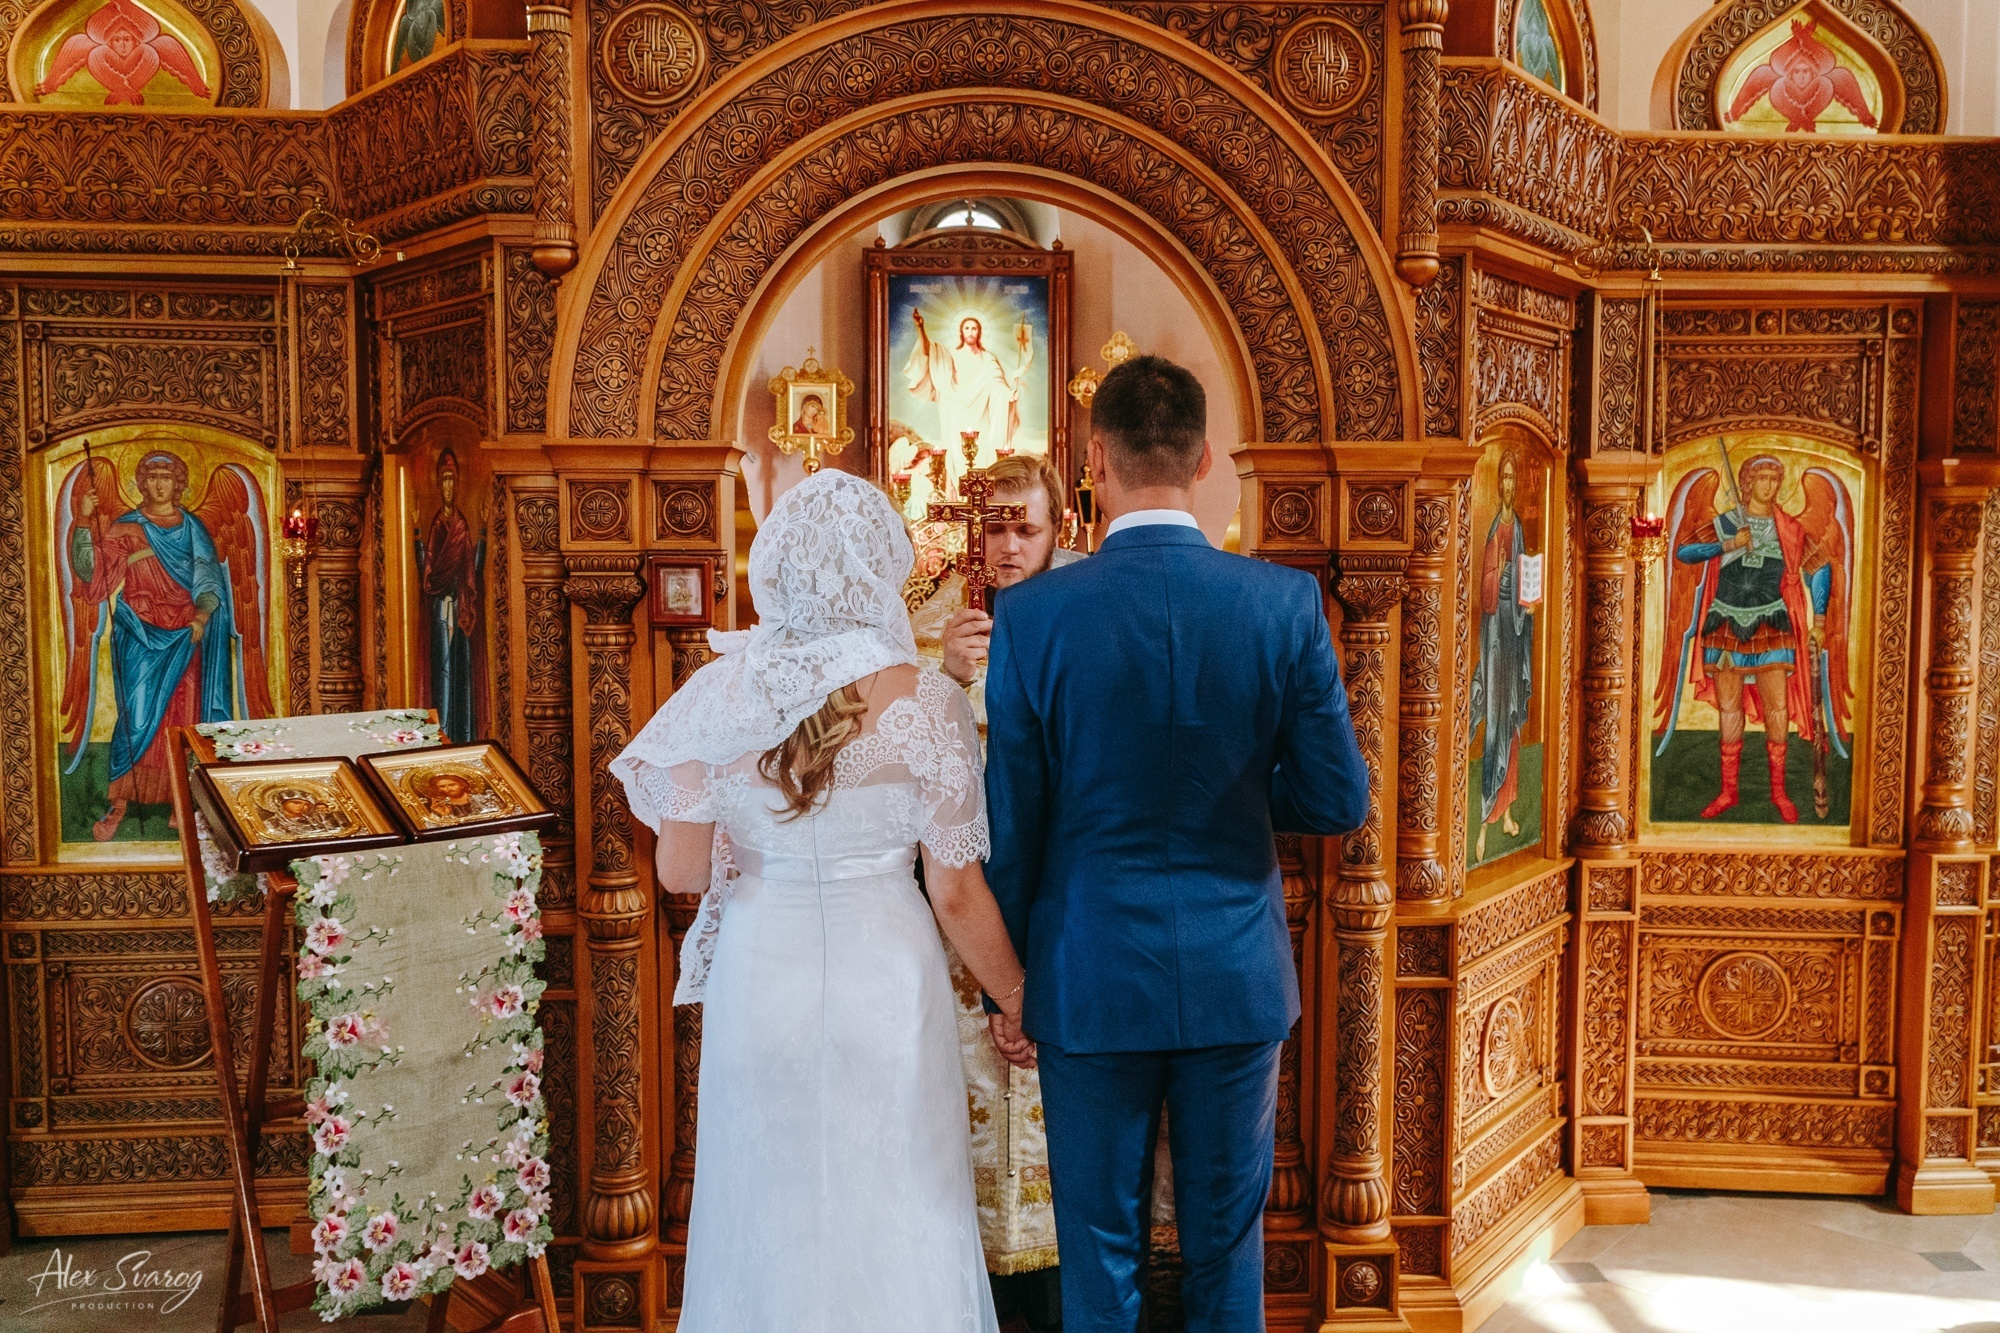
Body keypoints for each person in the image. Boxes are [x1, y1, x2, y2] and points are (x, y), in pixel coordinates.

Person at [983, 355, 1370, 1331]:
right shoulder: (1279, 605)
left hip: (1084, 969)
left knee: (1098, 1248)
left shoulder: (1030, 615)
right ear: (1202, 460)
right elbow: (1335, 799)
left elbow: (1014, 819)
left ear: (1094, 461)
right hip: (1233, 969)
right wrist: (1234, 791)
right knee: (1221, 1242)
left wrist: (1013, 981)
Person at [611, 469, 1032, 1333]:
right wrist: (1017, 997)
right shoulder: (928, 699)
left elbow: (682, 874)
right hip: (887, 971)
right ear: (878, 570)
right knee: (902, 1195)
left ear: (777, 571)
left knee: (766, 1195)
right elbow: (954, 889)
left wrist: (749, 834)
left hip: (764, 964)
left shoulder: (715, 696)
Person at [911, 452, 1073, 1331]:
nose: (1007, 545)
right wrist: (943, 678)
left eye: (1025, 526)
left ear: (1060, 530)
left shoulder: (1078, 626)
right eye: (994, 526)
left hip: (1054, 918)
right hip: (951, 933)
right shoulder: (925, 631)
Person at [1472, 452, 1534, 862]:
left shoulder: (1521, 528)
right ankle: (1482, 821)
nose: (1509, 484)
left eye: (1514, 478)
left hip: (1516, 636)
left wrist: (1528, 601)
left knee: (1511, 719)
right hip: (1496, 638)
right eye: (1505, 477)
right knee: (1496, 719)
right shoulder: (1496, 527)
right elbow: (1487, 587)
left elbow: (1528, 577)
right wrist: (1504, 579)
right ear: (1498, 483)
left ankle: (1508, 812)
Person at [907, 311, 1034, 494]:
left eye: (974, 328)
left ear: (980, 332)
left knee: (984, 459)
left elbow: (997, 384)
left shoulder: (988, 359)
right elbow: (928, 353)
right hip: (956, 417)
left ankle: (983, 500)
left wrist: (1008, 396)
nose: (971, 331)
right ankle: (958, 503)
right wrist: (920, 328)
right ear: (961, 332)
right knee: (956, 459)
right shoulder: (950, 355)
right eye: (967, 328)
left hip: (981, 420)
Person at [415, 449, 484, 744]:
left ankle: (463, 734)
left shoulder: (461, 525)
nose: (447, 487)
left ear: (457, 485)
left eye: (451, 481)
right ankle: (439, 734)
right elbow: (427, 571)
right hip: (439, 613)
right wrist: (417, 534)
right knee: (440, 671)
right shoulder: (436, 525)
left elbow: (473, 570)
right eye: (443, 481)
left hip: (461, 609)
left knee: (460, 672)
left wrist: (483, 537)